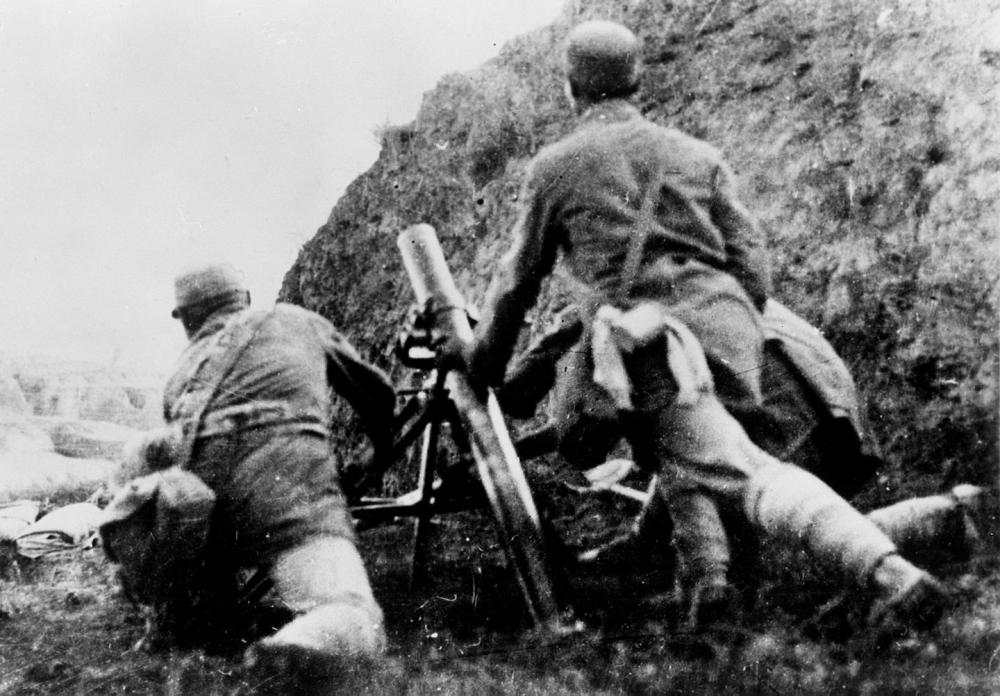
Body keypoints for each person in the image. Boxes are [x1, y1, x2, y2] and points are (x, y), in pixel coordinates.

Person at [459, 19, 950, 639]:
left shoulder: (555, 168)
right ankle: (709, 595)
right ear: (637, 80)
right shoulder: (698, 155)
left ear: (570, 87)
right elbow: (751, 260)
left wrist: (481, 367)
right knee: (686, 456)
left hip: (647, 346)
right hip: (726, 334)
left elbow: (517, 281)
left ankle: (889, 574)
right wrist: (716, 325)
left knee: (746, 473)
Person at [100, 263, 394, 690]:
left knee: (218, 601)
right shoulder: (297, 321)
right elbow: (378, 395)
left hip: (203, 507)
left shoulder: (181, 372)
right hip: (289, 486)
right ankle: (291, 649)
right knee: (349, 611)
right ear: (246, 299)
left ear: (185, 318)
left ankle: (213, 627)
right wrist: (376, 456)